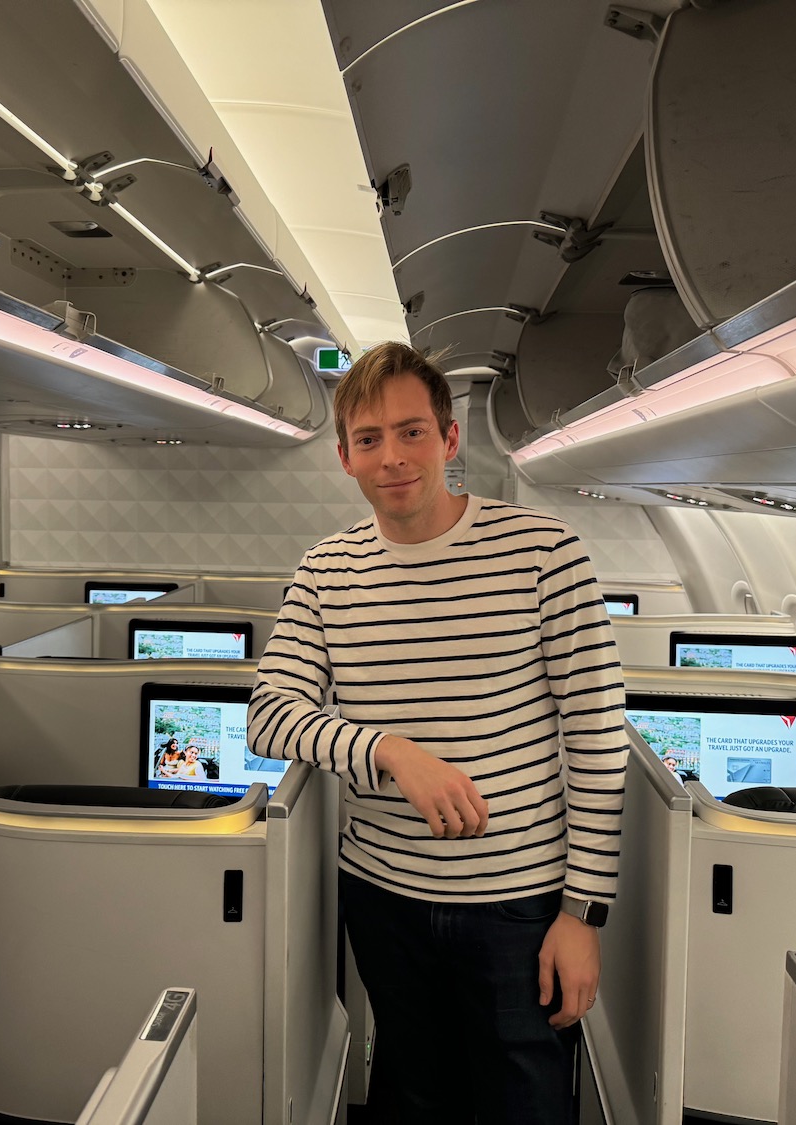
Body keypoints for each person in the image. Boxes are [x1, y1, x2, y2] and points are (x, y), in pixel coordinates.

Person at [247, 341, 628, 1125]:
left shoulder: (544, 555)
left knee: (524, 1102)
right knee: (410, 1094)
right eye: (370, 439)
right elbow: (271, 714)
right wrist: (389, 749)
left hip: (519, 905)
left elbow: (596, 738)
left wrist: (582, 915)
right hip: (384, 897)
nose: (393, 456)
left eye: (412, 432)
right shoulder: (325, 571)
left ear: (450, 440)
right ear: (344, 457)